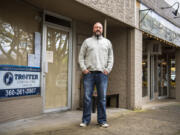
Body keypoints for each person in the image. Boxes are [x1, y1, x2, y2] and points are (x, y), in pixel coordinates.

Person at [78, 22, 114, 128]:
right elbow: (81, 56)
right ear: (93, 29)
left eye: (100, 27)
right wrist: (84, 69)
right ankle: (85, 120)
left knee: (102, 98)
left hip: (102, 74)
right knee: (87, 98)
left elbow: (111, 57)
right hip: (89, 74)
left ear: (102, 30)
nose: (98, 28)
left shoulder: (107, 42)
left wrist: (108, 69)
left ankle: (102, 121)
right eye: (96, 27)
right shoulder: (87, 42)